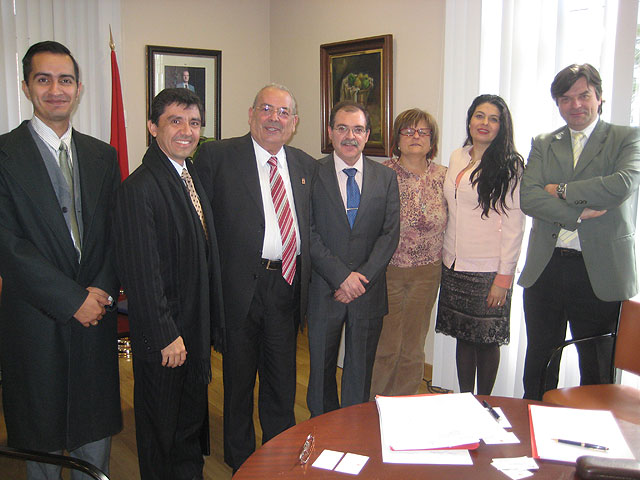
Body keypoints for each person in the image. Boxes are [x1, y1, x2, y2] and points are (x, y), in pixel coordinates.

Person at [0, 41, 122, 479]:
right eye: (44, 79)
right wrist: (71, 299)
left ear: (79, 88)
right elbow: (7, 245)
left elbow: (113, 234)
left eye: (65, 80)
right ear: (27, 87)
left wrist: (101, 290)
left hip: (95, 315)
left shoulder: (101, 156)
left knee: (94, 436)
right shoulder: (3, 155)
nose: (56, 89)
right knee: (42, 438)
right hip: (35, 317)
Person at [194, 84, 317, 472]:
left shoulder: (304, 165)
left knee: (282, 380)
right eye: (266, 109)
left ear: (294, 123)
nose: (273, 118)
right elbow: (199, 224)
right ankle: (242, 460)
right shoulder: (217, 156)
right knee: (239, 380)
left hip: (285, 283)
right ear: (251, 114)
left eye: (283, 113)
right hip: (238, 287)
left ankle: (279, 454)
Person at [112, 88, 224, 480]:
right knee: (161, 431)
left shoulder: (188, 175)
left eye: (194, 123)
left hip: (191, 331)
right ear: (152, 127)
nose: (187, 131)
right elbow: (141, 274)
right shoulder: (139, 188)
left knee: (188, 427)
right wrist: (166, 335)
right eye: (175, 121)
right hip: (165, 340)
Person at [519, 64, 640, 400]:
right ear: (557, 103)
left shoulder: (626, 137)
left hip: (599, 271)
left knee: (598, 370)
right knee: (540, 363)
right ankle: (534, 436)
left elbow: (621, 186)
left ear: (599, 97)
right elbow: (528, 197)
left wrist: (559, 191)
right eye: (565, 98)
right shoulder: (545, 142)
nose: (575, 105)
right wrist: (578, 212)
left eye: (584, 95)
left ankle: (596, 446)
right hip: (547, 268)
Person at [307, 100, 400, 417]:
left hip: (367, 291)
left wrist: (360, 279)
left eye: (358, 129)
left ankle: (352, 433)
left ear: (367, 135)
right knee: (320, 372)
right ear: (330, 132)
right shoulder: (310, 174)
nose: (350, 136)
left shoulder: (385, 178)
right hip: (324, 288)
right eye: (343, 128)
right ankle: (321, 431)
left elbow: (389, 235)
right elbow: (308, 232)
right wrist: (340, 277)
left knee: (360, 373)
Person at [435, 94, 525, 395]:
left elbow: (514, 224)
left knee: (486, 340)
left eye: (493, 118)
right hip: (454, 264)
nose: (484, 123)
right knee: (464, 335)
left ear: (502, 126)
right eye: (479, 115)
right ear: (470, 119)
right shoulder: (457, 156)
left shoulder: (510, 165)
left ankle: (484, 403)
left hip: (489, 269)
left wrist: (504, 277)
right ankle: (464, 400)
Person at [369, 108, 447, 399]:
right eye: (408, 131)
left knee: (414, 347)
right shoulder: (381, 174)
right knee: (387, 346)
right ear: (397, 139)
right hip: (389, 271)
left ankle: (404, 407)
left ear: (432, 140)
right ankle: (375, 407)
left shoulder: (444, 177)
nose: (416, 137)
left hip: (428, 274)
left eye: (423, 132)